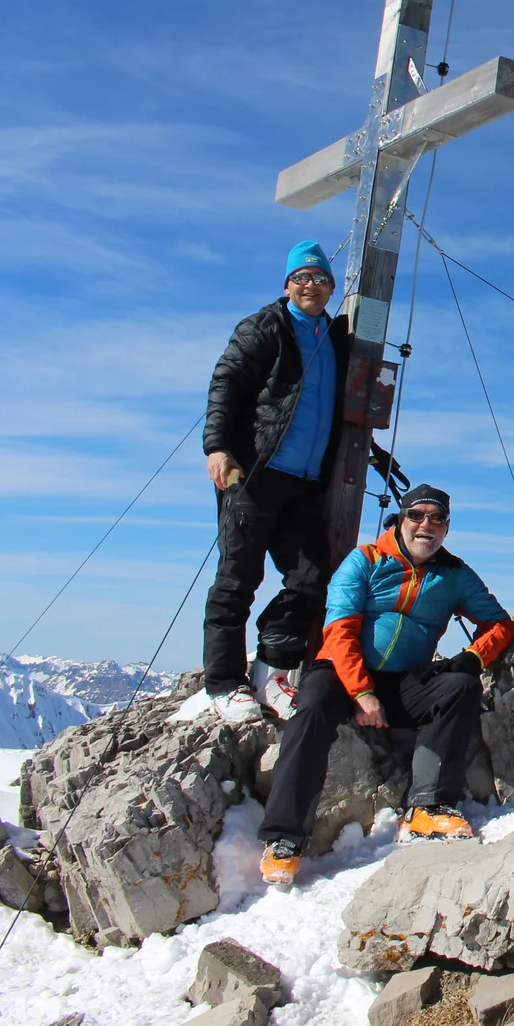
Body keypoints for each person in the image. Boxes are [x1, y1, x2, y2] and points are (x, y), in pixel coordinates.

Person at [257, 485, 514, 884]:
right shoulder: (365, 560)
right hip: (341, 674)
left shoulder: (454, 574)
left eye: (437, 518)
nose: (426, 525)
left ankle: (429, 807)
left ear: (447, 528)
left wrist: (474, 656)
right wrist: (362, 692)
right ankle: (284, 838)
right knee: (311, 709)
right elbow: (340, 628)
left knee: (460, 687)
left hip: (404, 680)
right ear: (401, 518)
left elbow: (499, 622)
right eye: (417, 515)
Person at [201, 240, 350, 725]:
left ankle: (271, 669)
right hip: (255, 473)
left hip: (305, 481)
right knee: (237, 578)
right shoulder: (267, 326)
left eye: (321, 278)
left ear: (331, 288)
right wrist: (218, 448)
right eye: (302, 278)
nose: (311, 286)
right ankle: (224, 683)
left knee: (311, 577)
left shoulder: (335, 336)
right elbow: (227, 382)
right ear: (287, 285)